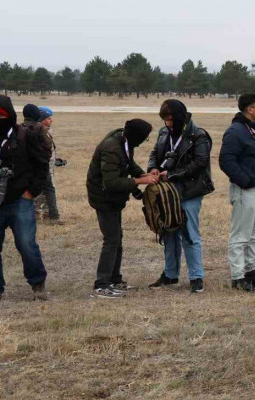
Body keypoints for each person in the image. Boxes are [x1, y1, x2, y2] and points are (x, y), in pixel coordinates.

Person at [0, 95, 51, 303]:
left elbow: (41, 164)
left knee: (26, 244)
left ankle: (37, 283)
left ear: (10, 115)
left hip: (19, 199)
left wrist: (31, 191)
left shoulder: (24, 136)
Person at [147, 100, 214, 293]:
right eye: (164, 120)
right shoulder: (163, 132)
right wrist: (153, 167)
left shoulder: (198, 135)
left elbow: (200, 162)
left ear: (179, 117)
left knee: (189, 234)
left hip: (190, 191)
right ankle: (170, 274)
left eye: (169, 120)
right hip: (166, 190)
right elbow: (154, 153)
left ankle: (196, 277)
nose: (167, 124)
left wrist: (173, 174)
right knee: (168, 231)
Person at [86, 119, 158, 298]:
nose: (143, 142)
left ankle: (115, 279)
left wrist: (143, 174)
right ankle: (102, 284)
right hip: (104, 198)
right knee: (111, 240)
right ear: (137, 137)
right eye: (144, 139)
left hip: (113, 199)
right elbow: (110, 182)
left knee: (117, 238)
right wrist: (141, 181)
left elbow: (128, 163)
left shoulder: (124, 141)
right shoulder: (111, 147)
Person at [220, 93, 255, 292]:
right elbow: (226, 161)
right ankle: (238, 276)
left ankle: (251, 270)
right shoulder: (235, 132)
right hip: (246, 190)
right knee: (240, 235)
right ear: (249, 110)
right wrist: (246, 181)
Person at [33, 107, 61, 223]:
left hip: (48, 166)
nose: (51, 121)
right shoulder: (39, 132)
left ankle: (42, 213)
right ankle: (51, 215)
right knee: (47, 189)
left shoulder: (48, 131)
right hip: (43, 167)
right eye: (48, 118)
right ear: (41, 119)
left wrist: (56, 160)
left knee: (43, 191)